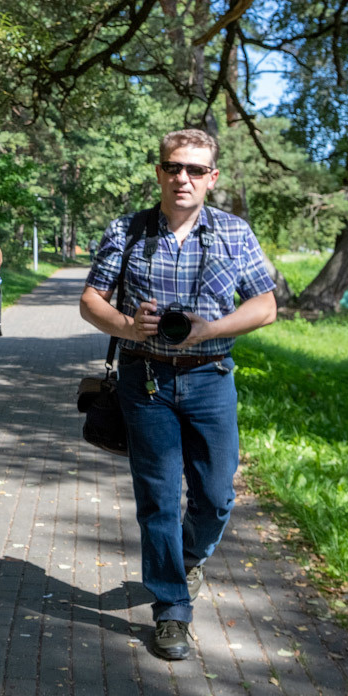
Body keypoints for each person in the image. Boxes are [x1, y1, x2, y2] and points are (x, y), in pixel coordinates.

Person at [78, 128, 278, 661]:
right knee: (159, 501)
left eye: (194, 169)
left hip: (211, 376)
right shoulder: (128, 229)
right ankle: (171, 609)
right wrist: (127, 324)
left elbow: (265, 306)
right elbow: (90, 301)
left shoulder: (234, 232)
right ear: (159, 172)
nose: (181, 178)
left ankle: (184, 558)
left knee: (215, 498)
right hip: (145, 382)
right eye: (172, 167)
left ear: (212, 177)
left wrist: (207, 329)